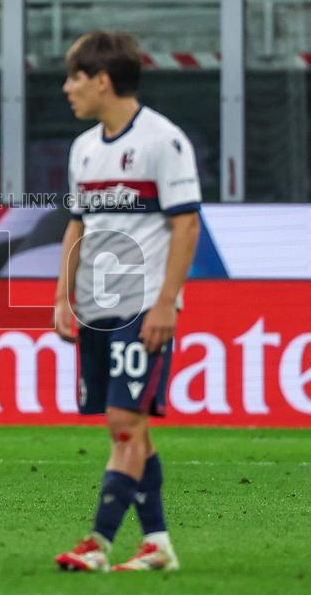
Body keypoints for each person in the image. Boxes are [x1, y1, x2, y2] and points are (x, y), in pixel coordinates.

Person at [53, 31, 201, 572]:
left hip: (142, 308)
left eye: (75, 77)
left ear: (102, 81)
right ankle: (157, 543)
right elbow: (77, 226)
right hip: (95, 308)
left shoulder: (164, 141)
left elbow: (186, 224)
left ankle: (98, 542)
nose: (67, 88)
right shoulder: (84, 149)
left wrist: (166, 303)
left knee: (122, 418)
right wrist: (63, 296)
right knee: (131, 424)